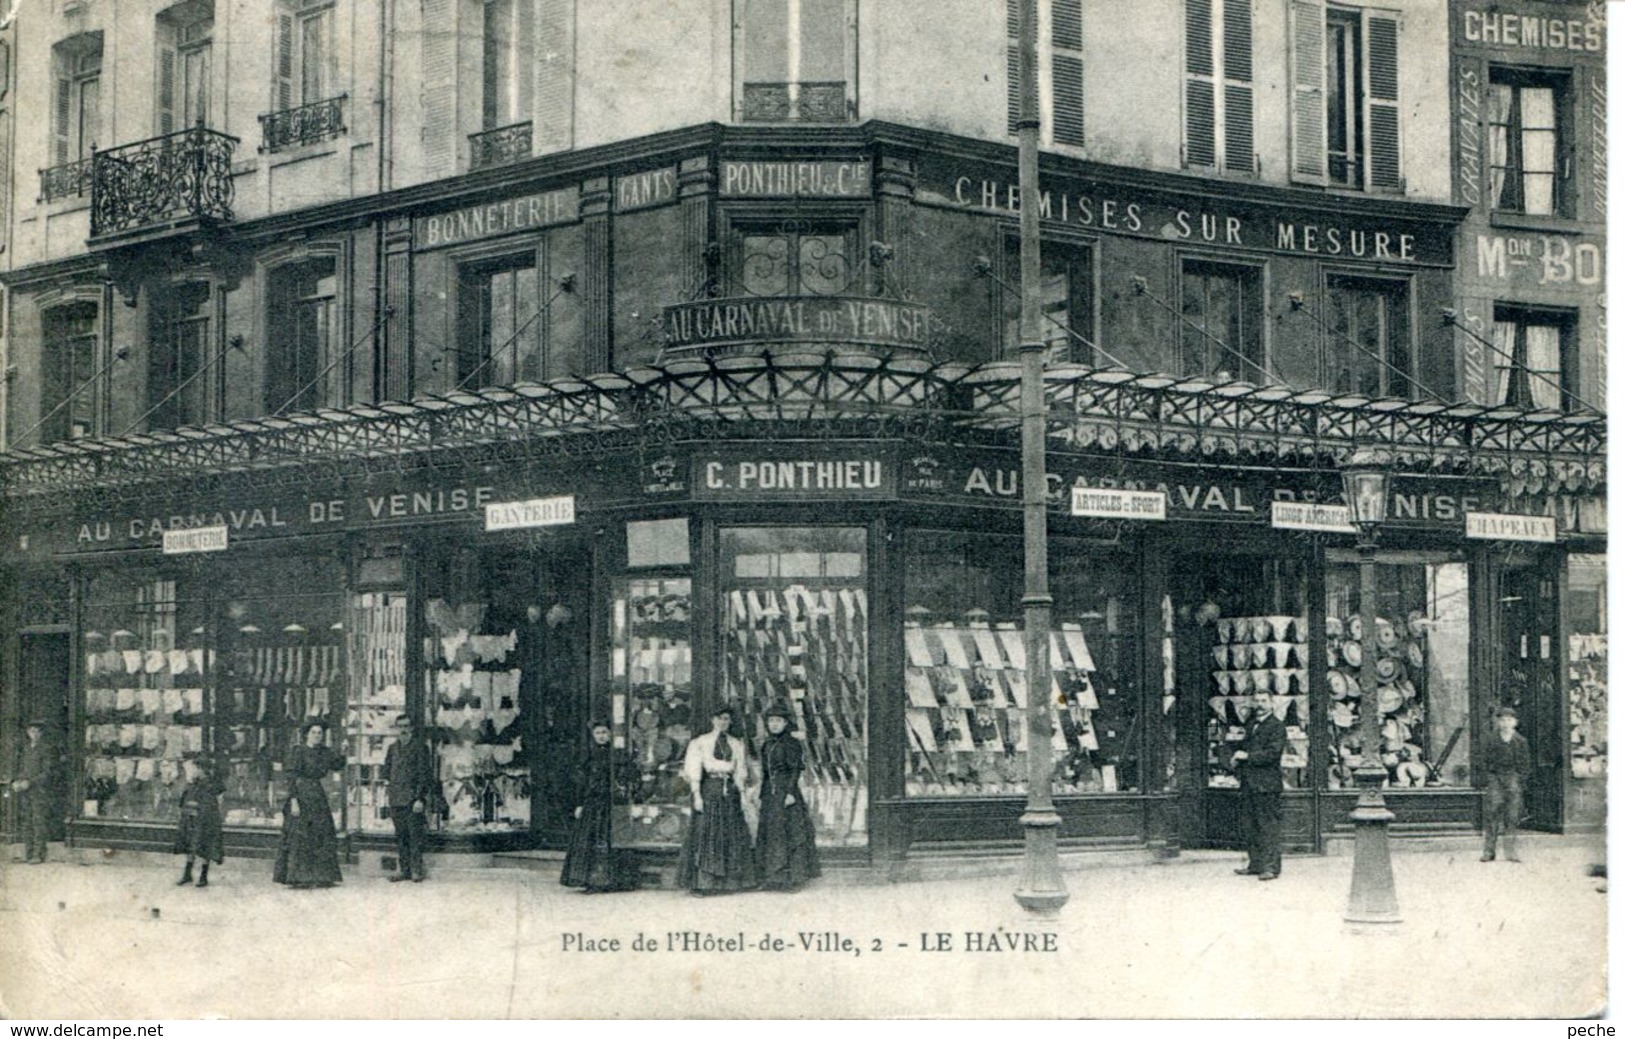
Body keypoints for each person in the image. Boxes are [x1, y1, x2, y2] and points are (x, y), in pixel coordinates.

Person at [676, 704, 758, 896]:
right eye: (719, 718)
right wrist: (697, 795)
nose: (723, 722)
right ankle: (706, 883)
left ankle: (730, 883)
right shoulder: (700, 742)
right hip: (710, 789)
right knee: (709, 832)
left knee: (731, 832)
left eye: (726, 719)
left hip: (730, 792)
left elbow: (740, 771)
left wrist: (743, 795)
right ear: (712, 720)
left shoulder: (736, 743)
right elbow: (694, 770)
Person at [560, 720, 636, 893]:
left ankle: (615, 881)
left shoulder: (617, 754)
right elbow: (580, 782)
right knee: (592, 839)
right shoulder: (588, 755)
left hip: (612, 803)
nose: (601, 736)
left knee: (612, 839)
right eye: (598, 733)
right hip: (593, 803)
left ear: (610, 733)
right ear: (593, 735)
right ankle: (593, 881)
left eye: (604, 732)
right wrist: (579, 803)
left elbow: (626, 776)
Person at [755, 702, 820, 892]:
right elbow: (766, 773)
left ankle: (793, 879)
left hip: (786, 792)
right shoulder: (767, 744)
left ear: (785, 723)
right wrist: (761, 795)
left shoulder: (791, 744)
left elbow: (795, 770)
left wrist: (790, 793)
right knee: (771, 834)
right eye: (771, 721)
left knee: (790, 833)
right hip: (770, 793)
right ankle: (772, 878)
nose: (774, 724)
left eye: (778, 721)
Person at [272, 721, 345, 889]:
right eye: (314, 732)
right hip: (301, 794)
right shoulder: (298, 752)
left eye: (320, 733)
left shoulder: (324, 752)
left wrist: (343, 752)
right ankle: (298, 876)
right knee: (300, 835)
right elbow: (291, 777)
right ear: (307, 734)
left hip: (317, 795)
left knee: (321, 832)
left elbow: (336, 765)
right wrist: (294, 801)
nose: (317, 735)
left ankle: (322, 876)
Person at [1231, 688, 1285, 881]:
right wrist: (1237, 760)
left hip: (1267, 785)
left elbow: (1273, 754)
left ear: (1271, 704)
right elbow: (1245, 748)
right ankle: (1255, 864)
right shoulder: (1251, 724)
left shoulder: (1277, 726)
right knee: (1250, 825)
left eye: (1263, 701)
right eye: (1257, 701)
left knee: (1267, 826)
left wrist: (1246, 756)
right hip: (1249, 783)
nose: (1259, 704)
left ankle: (1271, 868)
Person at [383, 712, 435, 883]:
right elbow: (387, 771)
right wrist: (389, 790)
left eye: (406, 726)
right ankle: (404, 870)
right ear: (396, 728)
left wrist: (420, 798)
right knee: (401, 836)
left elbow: (424, 774)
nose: (403, 730)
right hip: (396, 798)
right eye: (401, 727)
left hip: (413, 800)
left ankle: (416, 871)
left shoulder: (420, 747)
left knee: (415, 836)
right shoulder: (392, 748)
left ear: (411, 728)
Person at [1482, 705, 1531, 863]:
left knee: (1512, 816)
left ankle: (1511, 852)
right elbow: (1484, 760)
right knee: (1492, 815)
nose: (1505, 723)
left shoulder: (1521, 741)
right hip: (1495, 778)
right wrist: (1490, 776)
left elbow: (1525, 764)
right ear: (1498, 722)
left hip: (1513, 779)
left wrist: (1519, 779)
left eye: (1509, 720)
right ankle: (1489, 852)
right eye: (1502, 720)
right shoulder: (1491, 739)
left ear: (1515, 722)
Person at [174, 761, 225, 887]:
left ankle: (203, 876)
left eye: (198, 768)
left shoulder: (212, 785)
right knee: (190, 845)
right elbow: (184, 800)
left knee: (205, 846)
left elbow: (216, 803)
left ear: (205, 770)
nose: (196, 771)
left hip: (207, 820)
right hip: (192, 819)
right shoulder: (193, 784)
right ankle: (187, 874)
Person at [10, 720, 54, 865]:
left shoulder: (46, 749)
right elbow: (22, 769)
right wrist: (17, 781)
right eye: (31, 731)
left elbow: (48, 773)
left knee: (38, 821)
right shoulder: (26, 748)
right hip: (25, 790)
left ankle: (38, 854)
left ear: (41, 733)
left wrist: (31, 782)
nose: (34, 734)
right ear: (28, 732)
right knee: (26, 821)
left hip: (39, 790)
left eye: (37, 731)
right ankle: (28, 853)